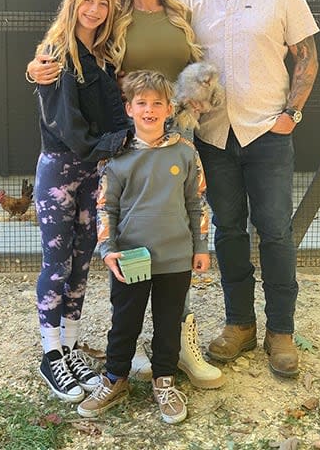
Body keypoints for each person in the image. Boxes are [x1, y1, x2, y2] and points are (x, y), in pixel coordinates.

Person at [26, 0, 224, 390]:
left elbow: (195, 67)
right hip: (125, 142)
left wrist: (194, 99)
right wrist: (37, 69)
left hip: (175, 137)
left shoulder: (180, 11)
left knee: (177, 232)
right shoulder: (114, 17)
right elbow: (72, 62)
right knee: (129, 236)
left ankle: (178, 348)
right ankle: (119, 345)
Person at [174, 0, 319, 378]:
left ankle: (281, 330)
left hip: (267, 132)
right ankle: (240, 324)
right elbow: (176, 61)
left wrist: (291, 115)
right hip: (215, 137)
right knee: (228, 231)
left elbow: (306, 56)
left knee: (276, 231)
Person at [77, 70, 210, 424]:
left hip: (176, 256)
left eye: (157, 104)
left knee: (168, 323)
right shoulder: (117, 157)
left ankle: (164, 381)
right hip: (131, 258)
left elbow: (197, 201)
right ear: (129, 108)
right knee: (125, 321)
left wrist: (201, 246)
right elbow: (107, 207)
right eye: (142, 103)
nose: (149, 110)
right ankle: (115, 378)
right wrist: (107, 249)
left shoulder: (185, 153)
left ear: (169, 109)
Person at [34, 0, 132, 403]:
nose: (94, 9)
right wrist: (116, 143)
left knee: (79, 262)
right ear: (74, 1)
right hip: (61, 170)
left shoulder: (104, 58)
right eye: (88, 0)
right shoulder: (56, 53)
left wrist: (130, 133)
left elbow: (114, 114)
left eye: (104, 2)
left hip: (93, 173)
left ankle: (71, 346)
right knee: (56, 263)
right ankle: (50, 353)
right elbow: (68, 125)